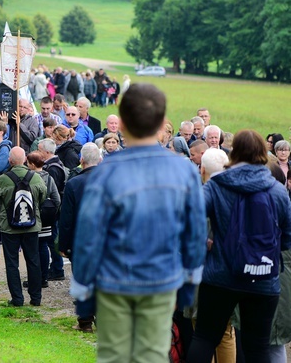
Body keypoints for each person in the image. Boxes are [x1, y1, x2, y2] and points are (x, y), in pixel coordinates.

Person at [70, 83, 206, 363]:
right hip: (162, 279)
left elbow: (88, 237)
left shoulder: (106, 171)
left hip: (114, 280)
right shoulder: (184, 170)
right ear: (160, 121)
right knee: (153, 355)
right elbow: (195, 235)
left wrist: (83, 291)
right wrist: (190, 283)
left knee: (113, 355)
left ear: (123, 121)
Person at [187, 130, 291, 362]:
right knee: (258, 349)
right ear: (263, 153)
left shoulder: (217, 185)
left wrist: (203, 243)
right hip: (263, 278)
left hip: (221, 276)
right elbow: (287, 238)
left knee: (204, 338)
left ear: (233, 152)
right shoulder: (277, 191)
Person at [0, 147, 47, 307]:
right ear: (24, 160)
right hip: (32, 226)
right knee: (33, 261)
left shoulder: (3, 179)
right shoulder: (35, 177)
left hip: (9, 227)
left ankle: (17, 298)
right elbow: (43, 196)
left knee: (12, 263)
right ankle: (36, 298)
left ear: (10, 160)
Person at [58, 142, 102, 333]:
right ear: (100, 160)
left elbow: (66, 218)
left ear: (81, 160)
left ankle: (85, 322)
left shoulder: (74, 184)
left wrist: (64, 245)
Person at [26, 152, 61, 290]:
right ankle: (44, 277)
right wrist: (51, 212)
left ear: (32, 165)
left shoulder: (29, 178)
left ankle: (35, 278)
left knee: (33, 249)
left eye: (28, 163)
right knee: (43, 247)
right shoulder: (49, 178)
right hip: (46, 218)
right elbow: (57, 199)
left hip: (31, 217)